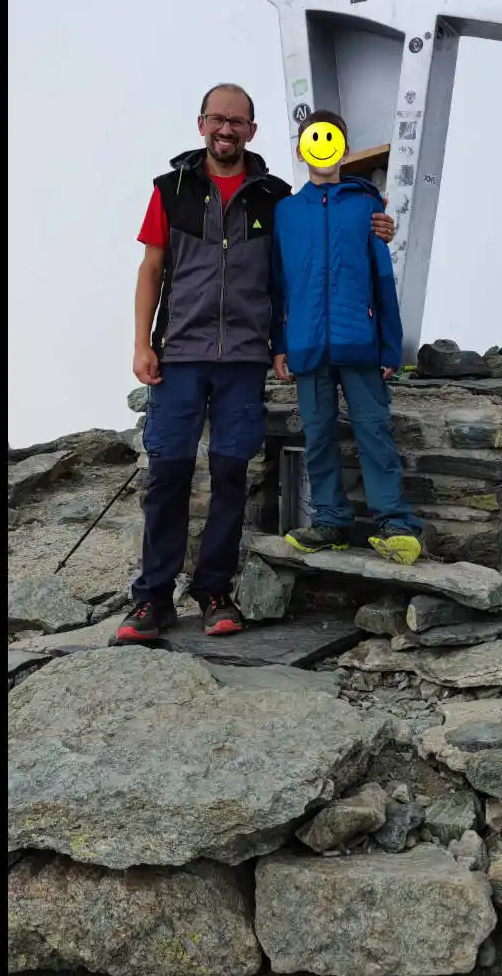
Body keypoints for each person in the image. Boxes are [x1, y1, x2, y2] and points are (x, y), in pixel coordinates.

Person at [121, 85, 394, 643]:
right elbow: (151, 270)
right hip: (180, 353)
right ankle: (152, 599)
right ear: (201, 124)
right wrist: (141, 343)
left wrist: (377, 223)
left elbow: (314, 236)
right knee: (167, 472)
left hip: (244, 358)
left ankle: (215, 593)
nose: (227, 130)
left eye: (237, 121)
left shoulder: (273, 197)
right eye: (217, 120)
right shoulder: (169, 189)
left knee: (229, 474)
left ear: (252, 129)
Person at [273, 109, 426, 556]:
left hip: (359, 341)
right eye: (313, 139)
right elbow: (278, 284)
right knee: (318, 435)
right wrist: (279, 345)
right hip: (306, 345)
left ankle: (396, 524)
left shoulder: (367, 206)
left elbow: (382, 280)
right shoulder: (284, 212)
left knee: (374, 431)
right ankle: (331, 522)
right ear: (302, 149)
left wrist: (390, 344)